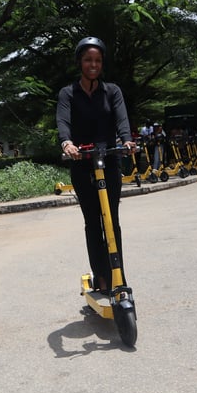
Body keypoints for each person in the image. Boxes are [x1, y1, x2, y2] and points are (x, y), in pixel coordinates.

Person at [57, 36, 135, 292]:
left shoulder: (112, 91)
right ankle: (101, 276)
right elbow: (63, 122)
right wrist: (67, 143)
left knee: (111, 220)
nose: (93, 64)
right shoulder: (68, 93)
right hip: (81, 163)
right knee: (93, 221)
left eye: (98, 60)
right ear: (80, 62)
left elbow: (122, 120)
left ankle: (118, 275)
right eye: (88, 60)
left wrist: (126, 141)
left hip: (109, 160)